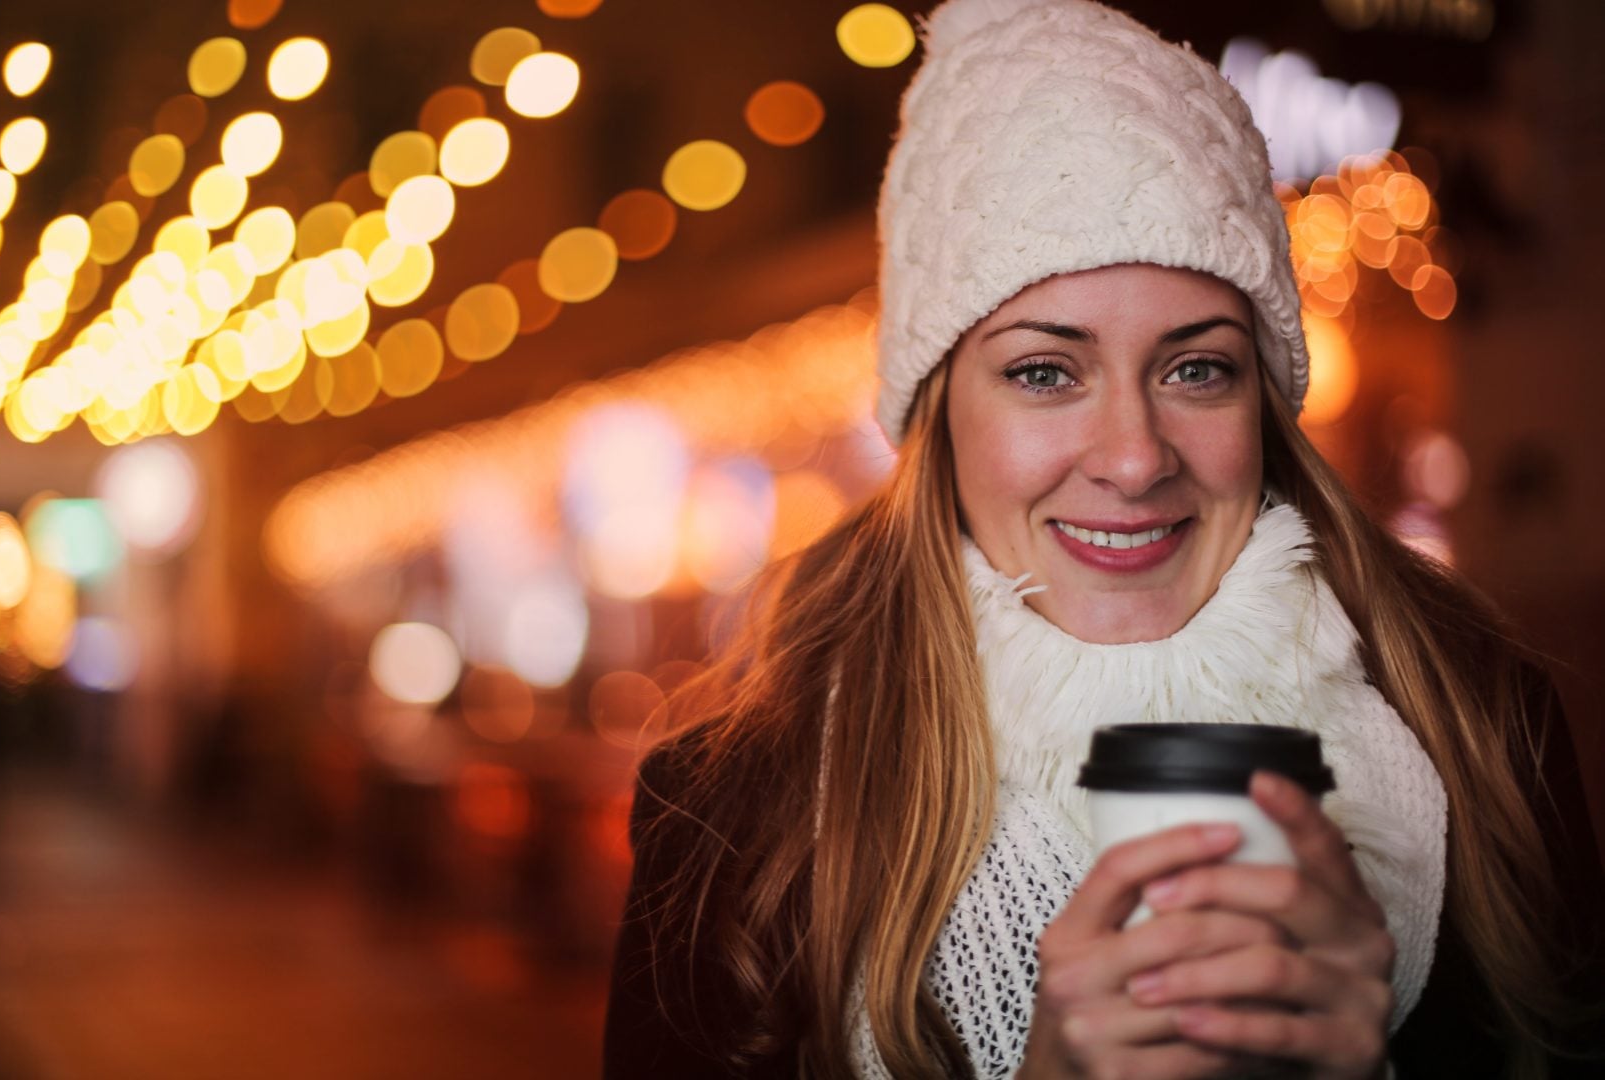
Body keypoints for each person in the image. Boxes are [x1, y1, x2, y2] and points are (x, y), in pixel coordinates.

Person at [602, 1, 1605, 1077]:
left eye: (1196, 368)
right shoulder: (730, 815)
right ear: (939, 419)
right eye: (1045, 372)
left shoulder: (1478, 724)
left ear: (1262, 403)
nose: (1134, 458)